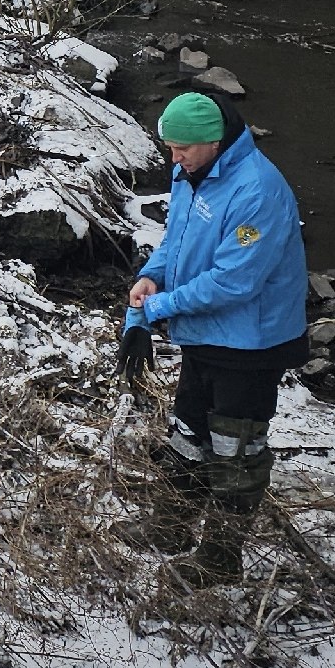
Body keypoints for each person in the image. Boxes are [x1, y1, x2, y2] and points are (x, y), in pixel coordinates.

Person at [118, 90, 308, 588]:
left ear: (216, 141)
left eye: (182, 149)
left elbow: (234, 282)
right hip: (206, 333)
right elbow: (177, 241)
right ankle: (171, 525)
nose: (173, 159)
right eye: (170, 148)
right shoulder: (193, 172)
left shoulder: (257, 192)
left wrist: (159, 308)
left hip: (251, 344)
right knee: (188, 431)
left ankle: (220, 558)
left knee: (235, 451)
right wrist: (152, 276)